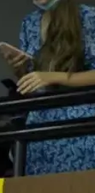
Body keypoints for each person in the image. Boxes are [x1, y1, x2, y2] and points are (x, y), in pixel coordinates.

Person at [6, 0, 95, 175]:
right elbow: (32, 80)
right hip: (40, 125)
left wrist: (54, 77)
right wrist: (19, 68)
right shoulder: (29, 23)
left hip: (80, 125)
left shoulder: (88, 17)